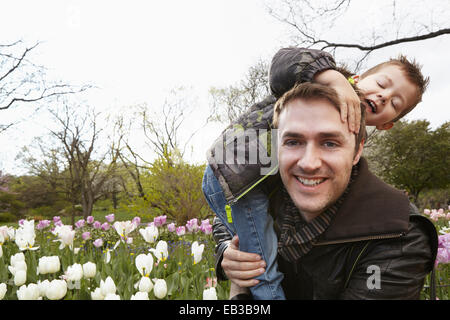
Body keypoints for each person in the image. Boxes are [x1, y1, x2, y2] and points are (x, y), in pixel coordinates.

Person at [202, 47, 430, 299]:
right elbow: (284, 61)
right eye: (293, 141)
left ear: (358, 148)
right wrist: (229, 253)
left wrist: (240, 292)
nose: (309, 163)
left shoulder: (399, 235)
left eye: (330, 143)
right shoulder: (318, 78)